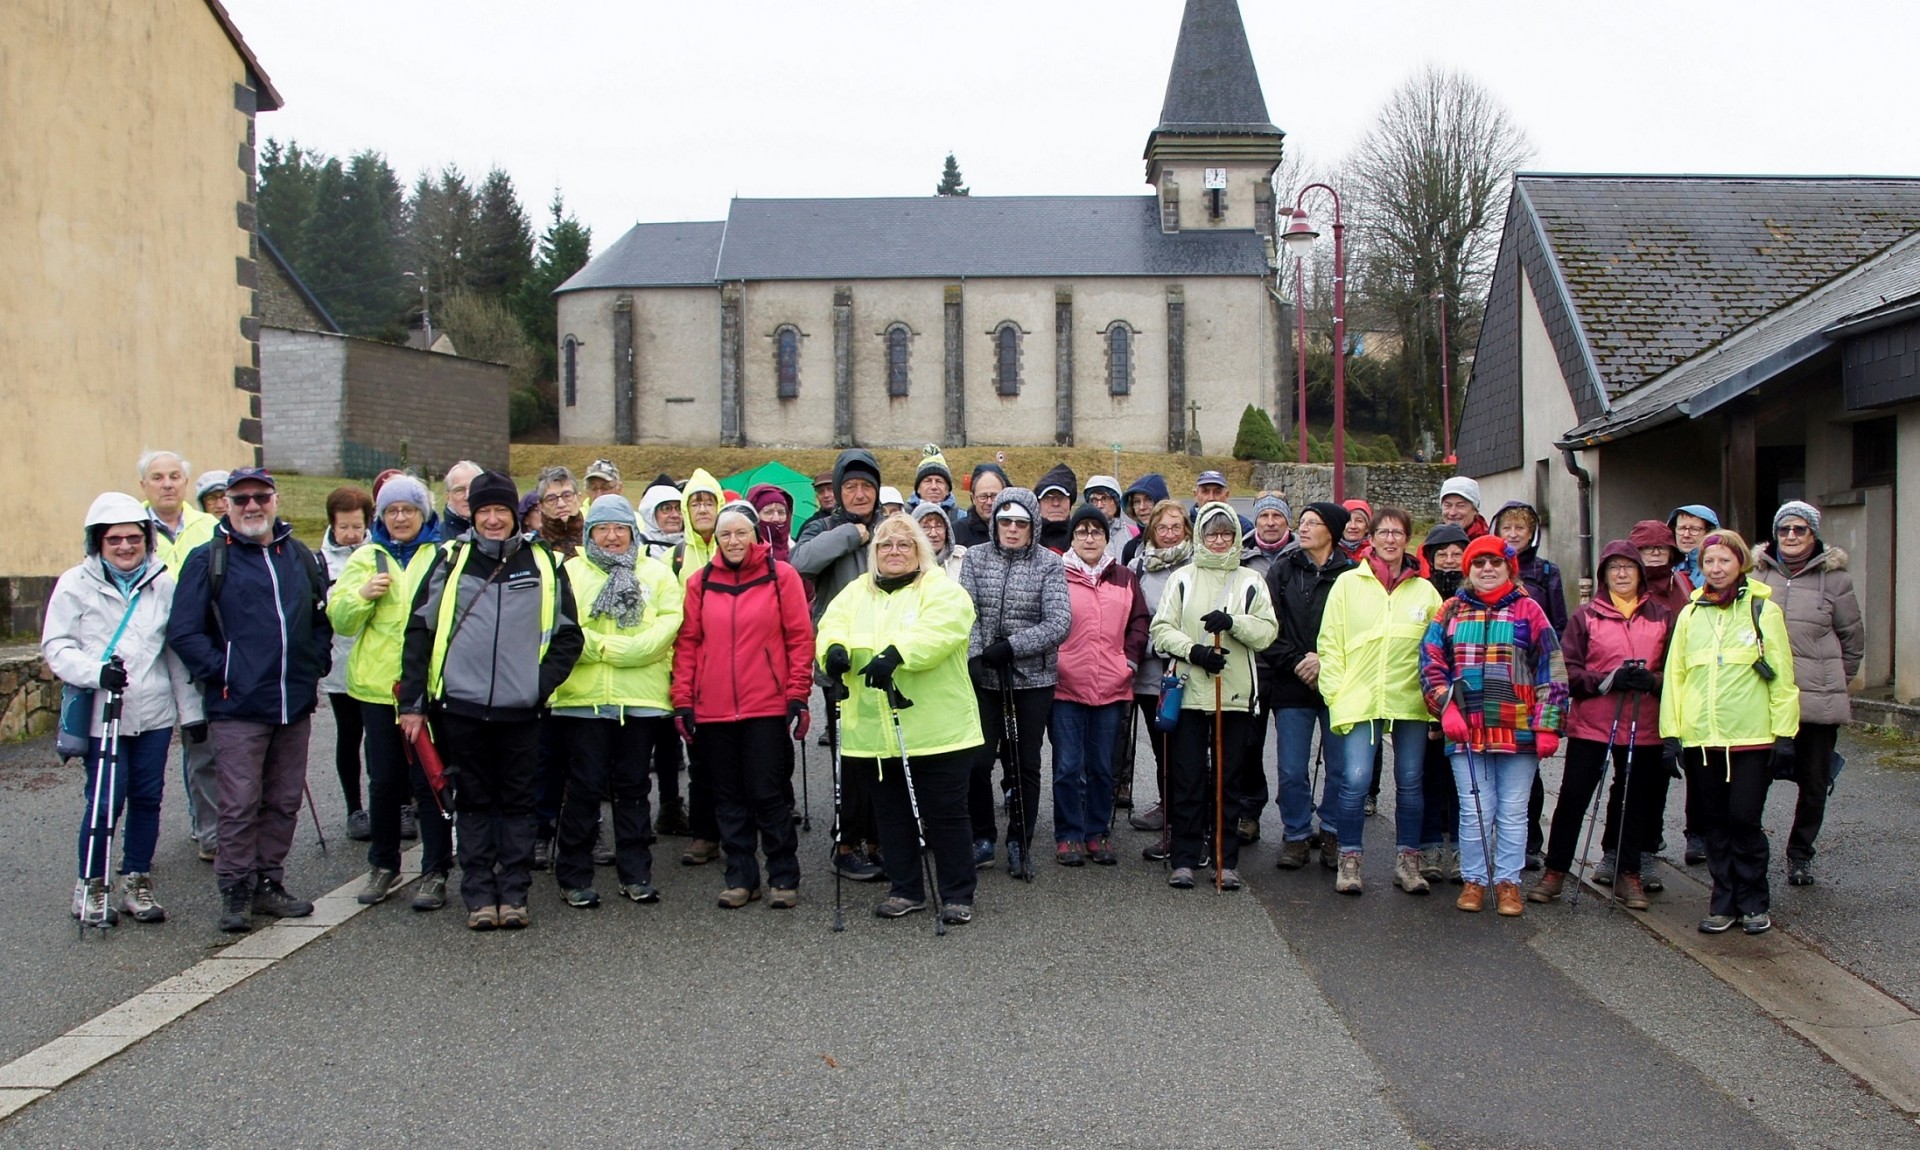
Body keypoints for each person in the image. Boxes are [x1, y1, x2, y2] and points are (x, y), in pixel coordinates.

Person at [399, 470, 583, 931]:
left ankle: (515, 894)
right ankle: (480, 895)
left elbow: (568, 637)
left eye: (502, 510)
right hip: (461, 706)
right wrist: (413, 703)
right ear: (473, 515)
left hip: (522, 710)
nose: (494, 519)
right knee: (475, 803)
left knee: (519, 804)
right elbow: (419, 632)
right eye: (486, 511)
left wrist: (536, 685)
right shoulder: (449, 561)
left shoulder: (544, 563)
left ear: (515, 516)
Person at [167, 467, 332, 934]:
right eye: (240, 500)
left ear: (275, 500)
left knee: (282, 800)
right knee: (239, 801)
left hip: (293, 702)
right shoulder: (208, 559)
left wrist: (313, 664)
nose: (251, 506)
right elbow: (184, 631)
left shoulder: (299, 556)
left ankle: (267, 881)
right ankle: (235, 889)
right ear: (226, 505)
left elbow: (321, 620)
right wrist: (226, 672)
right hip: (237, 706)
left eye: (260, 497)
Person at [44, 492, 202, 925]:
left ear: (147, 539)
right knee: (103, 802)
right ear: (97, 542)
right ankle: (91, 885)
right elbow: (56, 645)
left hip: (151, 713)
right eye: (115, 540)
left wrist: (192, 714)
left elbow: (174, 653)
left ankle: (137, 878)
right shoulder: (75, 584)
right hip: (101, 713)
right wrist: (95, 672)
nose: (126, 547)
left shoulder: (163, 583)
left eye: (134, 538)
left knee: (148, 798)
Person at [817, 514, 983, 923]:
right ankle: (906, 888)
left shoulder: (941, 588)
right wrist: (833, 651)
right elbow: (830, 625)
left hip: (938, 729)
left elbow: (943, 630)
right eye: (885, 545)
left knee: (946, 814)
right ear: (874, 553)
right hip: (875, 730)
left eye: (904, 545)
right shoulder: (857, 591)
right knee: (891, 815)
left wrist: (897, 654)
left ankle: (957, 894)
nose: (894, 552)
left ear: (920, 551)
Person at [673, 503, 813, 909]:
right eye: (725, 535)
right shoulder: (700, 582)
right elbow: (687, 645)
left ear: (756, 536)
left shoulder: (780, 576)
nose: (733, 541)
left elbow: (799, 639)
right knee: (728, 797)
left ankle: (783, 875)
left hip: (764, 706)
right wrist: (683, 700)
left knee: (768, 794)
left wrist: (797, 695)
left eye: (741, 533)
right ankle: (740, 876)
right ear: (716, 540)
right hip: (713, 708)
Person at [1659, 529, 1799, 935]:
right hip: (1703, 741)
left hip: (1751, 739)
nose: (1716, 569)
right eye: (1708, 562)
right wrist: (1672, 735)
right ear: (1700, 567)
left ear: (1741, 563)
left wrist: (1785, 734)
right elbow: (1677, 677)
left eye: (1724, 560)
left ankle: (1754, 901)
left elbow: (1782, 677)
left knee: (1744, 820)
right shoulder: (1689, 614)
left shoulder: (1762, 610)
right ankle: (1724, 902)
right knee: (1715, 824)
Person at [1420, 535, 1568, 917]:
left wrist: (1547, 724)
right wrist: (1444, 707)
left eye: (1495, 563)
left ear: (1509, 568)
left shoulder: (1529, 610)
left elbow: (1551, 667)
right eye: (1479, 563)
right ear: (1468, 570)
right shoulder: (1450, 611)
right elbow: (1431, 662)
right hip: (1466, 730)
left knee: (1514, 810)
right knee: (1473, 809)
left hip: (1517, 729)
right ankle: (1474, 879)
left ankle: (1508, 882)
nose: (1487, 569)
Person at [548, 495, 684, 908]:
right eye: (602, 529)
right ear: (589, 533)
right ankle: (573, 875)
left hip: (640, 698)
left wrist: (626, 652)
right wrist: (611, 649)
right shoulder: (568, 572)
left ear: (632, 531)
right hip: (581, 699)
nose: (611, 537)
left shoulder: (657, 574)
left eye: (620, 528)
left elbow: (669, 623)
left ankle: (636, 873)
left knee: (634, 789)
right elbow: (561, 626)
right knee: (584, 790)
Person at [326, 476, 453, 911]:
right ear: (380, 517)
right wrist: (362, 596)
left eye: (409, 510)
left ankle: (435, 869)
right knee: (383, 781)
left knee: (430, 780)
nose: (400, 518)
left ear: (424, 514)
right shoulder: (366, 557)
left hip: (428, 687)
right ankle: (383, 862)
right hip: (377, 688)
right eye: (392, 511)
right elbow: (340, 620)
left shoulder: (443, 556)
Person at [1531, 540, 1672, 909]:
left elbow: (1676, 669)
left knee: (1633, 801)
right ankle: (1556, 870)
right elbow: (1569, 671)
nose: (1622, 574)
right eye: (1614, 568)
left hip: (1644, 725)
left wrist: (1653, 682)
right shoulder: (1586, 616)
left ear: (1640, 573)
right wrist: (1606, 679)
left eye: (1629, 567)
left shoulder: (1661, 614)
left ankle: (1628, 873)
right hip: (1593, 723)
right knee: (1574, 797)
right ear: (1604, 574)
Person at [1147, 501, 1278, 890]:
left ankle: (1225, 859)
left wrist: (1234, 623)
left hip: (1234, 694)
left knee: (1227, 780)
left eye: (1226, 534)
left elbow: (1267, 631)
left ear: (1236, 537)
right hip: (1188, 690)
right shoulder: (1182, 579)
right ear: (1200, 536)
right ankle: (1185, 858)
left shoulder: (1251, 581)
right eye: (1211, 533)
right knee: (1188, 777)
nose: (1219, 541)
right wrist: (1195, 651)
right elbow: (1162, 629)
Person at [1317, 505, 1441, 896]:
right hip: (1359, 698)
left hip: (1409, 701)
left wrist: (1434, 701)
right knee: (1354, 783)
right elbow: (1330, 643)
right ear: (1371, 537)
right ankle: (1350, 859)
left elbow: (1437, 650)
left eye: (1398, 533)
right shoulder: (1348, 585)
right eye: (1383, 532)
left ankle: (1408, 861)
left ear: (1409, 540)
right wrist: (1336, 693)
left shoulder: (1425, 590)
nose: (1390, 540)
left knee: (1409, 782)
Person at [958, 487, 1071, 877]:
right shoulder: (974, 558)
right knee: (978, 760)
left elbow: (1059, 622)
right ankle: (983, 836)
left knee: (1024, 763)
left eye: (1020, 523)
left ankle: (1019, 839)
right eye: (1004, 521)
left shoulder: (1049, 564)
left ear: (1033, 526)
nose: (1011, 529)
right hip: (985, 675)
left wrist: (1014, 647)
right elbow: (965, 610)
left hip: (1032, 678)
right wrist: (976, 654)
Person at [1753, 501, 1863, 887]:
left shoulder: (1836, 580)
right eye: (1785, 530)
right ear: (1775, 534)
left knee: (1815, 782)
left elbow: (1852, 639)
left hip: (1817, 698)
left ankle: (1800, 853)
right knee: (1755, 778)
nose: (1792, 537)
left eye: (1800, 530)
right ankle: (1751, 850)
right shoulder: (1757, 573)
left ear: (1813, 534)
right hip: (1763, 698)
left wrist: (1836, 683)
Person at [791, 449, 887, 881]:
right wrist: (852, 534)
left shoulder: (891, 525)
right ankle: (845, 841)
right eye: (850, 486)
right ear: (838, 490)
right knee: (850, 758)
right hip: (840, 659)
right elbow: (801, 565)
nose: (860, 493)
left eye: (867, 486)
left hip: (884, 659)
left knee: (882, 752)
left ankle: (878, 837)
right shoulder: (823, 527)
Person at [1259, 502, 1358, 870]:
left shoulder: (1352, 573)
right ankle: (1296, 834)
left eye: (1312, 523)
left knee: (1339, 766)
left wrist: (1325, 661)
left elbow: (1360, 629)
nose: (1302, 529)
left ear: (1331, 531)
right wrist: (1299, 661)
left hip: (1338, 683)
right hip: (1291, 681)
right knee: (1290, 767)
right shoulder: (1283, 569)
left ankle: (1331, 831)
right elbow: (1268, 624)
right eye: (1301, 522)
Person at [1052, 504, 1149, 866]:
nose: (1089, 537)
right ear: (1072, 538)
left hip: (1111, 683)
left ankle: (1097, 832)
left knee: (1102, 765)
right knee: (1067, 764)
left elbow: (1139, 622)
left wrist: (1130, 660)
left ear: (1107, 538)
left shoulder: (1124, 576)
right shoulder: (1057, 574)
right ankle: (1068, 835)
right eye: (1082, 531)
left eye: (1096, 531)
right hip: (1065, 684)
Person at [1490, 499, 1568, 871]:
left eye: (1522, 528)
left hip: (1529, 678)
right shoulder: (1487, 570)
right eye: (1508, 527)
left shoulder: (1547, 572)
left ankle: (1528, 843)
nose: (1514, 534)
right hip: (1490, 680)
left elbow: (1559, 625)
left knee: (1527, 770)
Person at [1126, 499, 1195, 840]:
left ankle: (1191, 814)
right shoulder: (1137, 566)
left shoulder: (1199, 564)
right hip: (1152, 675)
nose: (1169, 535)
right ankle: (1168, 807)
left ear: (1187, 530)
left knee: (1191, 749)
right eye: (1162, 528)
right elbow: (1134, 618)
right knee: (1162, 746)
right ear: (1152, 530)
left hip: (1193, 671)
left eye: (1176, 528)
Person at [319, 486, 376, 841]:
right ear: (332, 525)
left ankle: (396, 802)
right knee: (349, 735)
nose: (351, 534)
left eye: (357, 526)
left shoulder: (377, 553)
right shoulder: (320, 561)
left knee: (383, 739)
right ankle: (354, 808)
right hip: (340, 665)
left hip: (376, 664)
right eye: (344, 528)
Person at [1414, 524, 1470, 882]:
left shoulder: (1475, 594)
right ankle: (1430, 843)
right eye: (1442, 554)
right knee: (1428, 776)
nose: (1450, 560)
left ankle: (1464, 847)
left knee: (1463, 780)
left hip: (1468, 701)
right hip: (1427, 699)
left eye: (1456, 553)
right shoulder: (1421, 591)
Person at [138, 450, 217, 573]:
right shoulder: (133, 528)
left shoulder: (210, 526)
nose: (168, 485)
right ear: (143, 486)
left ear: (185, 482)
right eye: (157, 478)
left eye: (174, 477)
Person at [1631, 519, 1695, 618]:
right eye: (1648, 547)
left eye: (1662, 547)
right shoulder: (1623, 585)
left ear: (1671, 552)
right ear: (1636, 552)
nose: (1656, 553)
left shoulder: (1684, 583)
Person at [680, 468, 724, 578]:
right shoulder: (673, 558)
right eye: (695, 505)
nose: (702, 510)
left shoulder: (732, 550)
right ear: (686, 510)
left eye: (709, 504)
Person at [1082, 476, 1136, 562]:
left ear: (1117, 501)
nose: (1099, 505)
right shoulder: (1081, 535)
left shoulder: (1133, 533)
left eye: (1105, 498)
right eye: (1094, 500)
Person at [535, 466, 584, 560]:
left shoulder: (596, 539)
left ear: (579, 498)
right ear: (540, 506)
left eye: (567, 495)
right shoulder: (534, 546)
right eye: (551, 499)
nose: (561, 504)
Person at [955, 462, 1008, 548]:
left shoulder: (1016, 529)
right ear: (973, 499)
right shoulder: (958, 531)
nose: (989, 502)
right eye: (983, 497)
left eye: (995, 496)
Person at [1667, 504, 1721, 586]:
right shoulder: (1665, 564)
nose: (1686, 535)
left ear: (1709, 532)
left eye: (1694, 529)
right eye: (1681, 528)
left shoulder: (1719, 568)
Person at [1241, 492, 1292, 577]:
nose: (1270, 523)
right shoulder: (1240, 556)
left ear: (1287, 522)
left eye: (1277, 515)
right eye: (1264, 516)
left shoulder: (1304, 554)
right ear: (1256, 522)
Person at [915, 502, 966, 579]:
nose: (933, 534)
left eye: (938, 527)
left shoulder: (962, 559)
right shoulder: (907, 563)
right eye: (925, 527)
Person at [1033, 463, 1077, 553]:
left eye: (1061, 497)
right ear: (1039, 504)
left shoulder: (1082, 539)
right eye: (1049, 498)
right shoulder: (1027, 538)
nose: (1056, 503)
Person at [748, 483, 795, 565]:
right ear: (755, 517)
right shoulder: (743, 554)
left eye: (781, 512)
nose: (776, 518)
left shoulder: (796, 551)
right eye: (768, 512)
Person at [440, 460, 483, 538]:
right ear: (448, 497)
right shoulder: (437, 539)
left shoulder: (497, 531)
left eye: (473, 488)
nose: (468, 496)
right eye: (459, 490)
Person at [911, 446, 957, 515]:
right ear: (918, 488)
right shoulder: (904, 515)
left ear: (947, 490)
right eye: (928, 481)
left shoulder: (962, 518)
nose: (934, 487)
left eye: (939, 481)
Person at [797, 472, 837, 537]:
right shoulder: (810, 525)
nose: (826, 495)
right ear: (817, 496)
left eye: (830, 489)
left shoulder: (851, 518)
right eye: (821, 491)